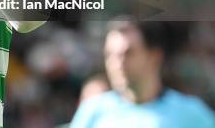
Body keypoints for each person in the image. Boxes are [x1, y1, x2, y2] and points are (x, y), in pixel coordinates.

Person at [70, 20, 215, 128]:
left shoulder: (191, 114)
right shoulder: (93, 111)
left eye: (128, 53)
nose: (117, 64)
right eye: (110, 55)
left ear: (154, 56)